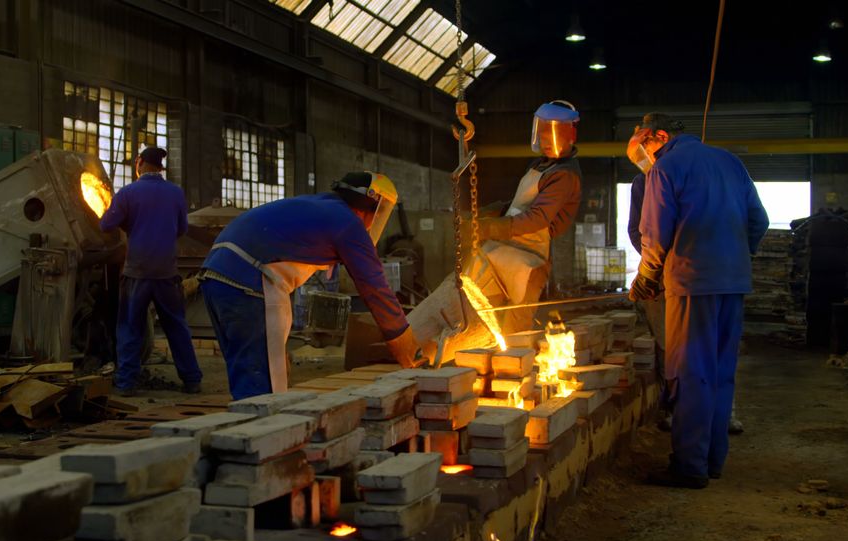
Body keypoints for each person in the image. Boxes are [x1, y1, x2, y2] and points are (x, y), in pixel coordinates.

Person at [628, 113, 769, 489]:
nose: (645, 157)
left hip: (692, 283)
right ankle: (712, 461)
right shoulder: (730, 161)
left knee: (690, 374)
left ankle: (689, 467)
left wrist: (645, 280)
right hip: (733, 282)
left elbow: (654, 236)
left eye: (644, 147)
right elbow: (760, 220)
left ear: (658, 135)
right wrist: (735, 257)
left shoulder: (665, 167)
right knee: (721, 372)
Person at [199, 172, 426, 400]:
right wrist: (405, 345)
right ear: (372, 204)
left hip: (215, 277)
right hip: (249, 282)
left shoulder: (320, 207)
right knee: (261, 393)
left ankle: (244, 428)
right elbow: (375, 288)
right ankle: (258, 431)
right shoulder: (347, 222)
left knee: (247, 371)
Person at [99, 147, 203, 397]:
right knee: (176, 326)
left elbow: (105, 224)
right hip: (167, 272)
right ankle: (192, 381)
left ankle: (125, 384)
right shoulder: (175, 193)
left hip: (137, 272)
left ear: (139, 163)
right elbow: (181, 229)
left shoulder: (128, 193)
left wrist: (129, 222)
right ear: (161, 168)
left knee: (130, 327)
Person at [474, 100, 582, 331]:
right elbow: (520, 204)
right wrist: (490, 212)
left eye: (548, 134)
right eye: (541, 133)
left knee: (515, 330)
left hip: (529, 258)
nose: (544, 139)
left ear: (567, 134)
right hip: (507, 247)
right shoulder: (541, 165)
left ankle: (517, 364)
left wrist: (488, 228)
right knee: (482, 316)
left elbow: (536, 219)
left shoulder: (564, 174)